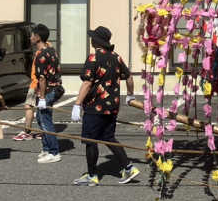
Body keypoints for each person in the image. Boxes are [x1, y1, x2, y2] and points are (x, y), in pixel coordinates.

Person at [71, 26, 138, 186]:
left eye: (92, 37)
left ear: (96, 41)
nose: (91, 39)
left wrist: (77, 104)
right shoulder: (116, 57)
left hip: (95, 107)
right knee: (108, 137)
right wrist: (130, 95)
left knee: (90, 140)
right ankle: (128, 167)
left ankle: (92, 175)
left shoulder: (94, 58)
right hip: (112, 106)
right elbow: (128, 77)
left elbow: (87, 83)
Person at [31, 24, 63, 163]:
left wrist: (42, 97)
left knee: (45, 120)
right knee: (40, 117)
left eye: (32, 35)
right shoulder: (51, 50)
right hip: (55, 88)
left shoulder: (41, 55)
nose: (30, 37)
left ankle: (54, 152)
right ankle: (46, 148)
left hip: (48, 90)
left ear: (38, 37)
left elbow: (42, 78)